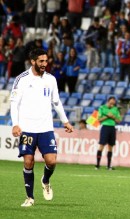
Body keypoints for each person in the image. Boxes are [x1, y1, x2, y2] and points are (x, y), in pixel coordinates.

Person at [10, 48, 74, 207]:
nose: (45, 64)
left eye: (46, 61)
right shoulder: (22, 79)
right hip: (27, 128)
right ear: (33, 61)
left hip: (46, 128)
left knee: (51, 162)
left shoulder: (51, 79)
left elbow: (56, 102)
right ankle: (30, 198)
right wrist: (15, 124)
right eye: (41, 61)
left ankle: (45, 180)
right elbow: (14, 103)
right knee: (28, 162)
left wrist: (65, 121)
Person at [95, 96, 121, 170]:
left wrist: (113, 117)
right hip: (105, 127)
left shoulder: (115, 109)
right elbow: (99, 119)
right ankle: (97, 165)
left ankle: (109, 165)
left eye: (114, 101)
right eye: (112, 100)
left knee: (110, 146)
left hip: (112, 127)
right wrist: (107, 116)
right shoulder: (102, 108)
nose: (113, 102)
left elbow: (118, 120)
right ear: (108, 101)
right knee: (101, 145)